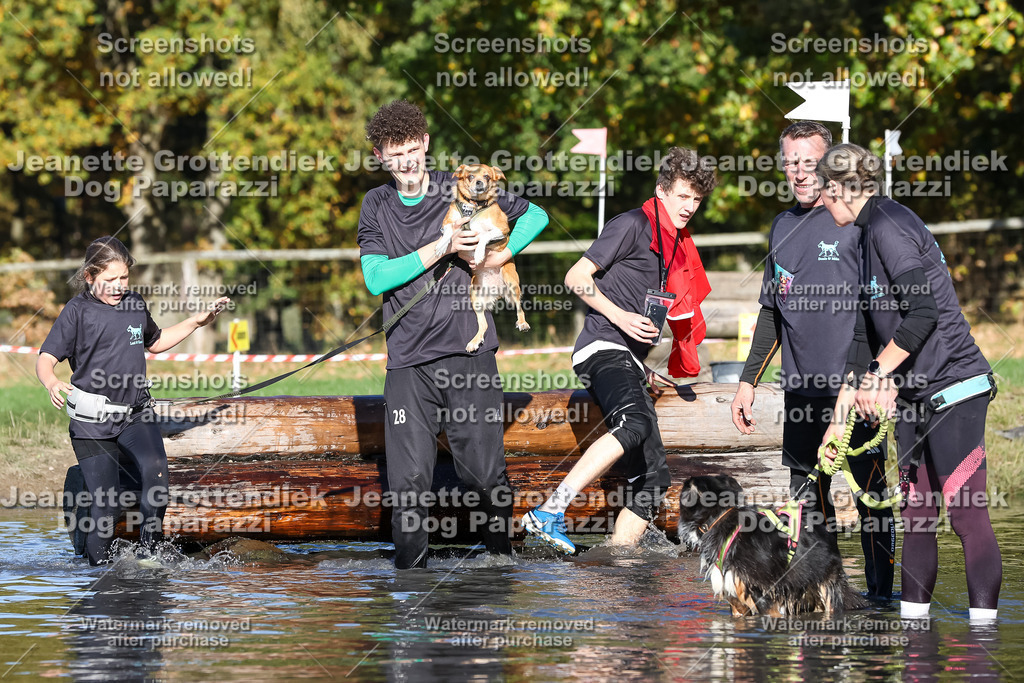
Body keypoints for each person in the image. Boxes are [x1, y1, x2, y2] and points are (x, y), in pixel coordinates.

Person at [357, 99, 549, 569]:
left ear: (424, 143)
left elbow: (536, 217)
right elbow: (376, 278)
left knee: (484, 475)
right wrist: (442, 245)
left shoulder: (462, 186)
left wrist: (501, 258)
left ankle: (500, 567)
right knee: (407, 486)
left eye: (410, 148)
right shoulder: (376, 205)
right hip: (407, 363)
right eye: (392, 152)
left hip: (469, 356)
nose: (404, 161)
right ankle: (410, 592)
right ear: (380, 156)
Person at [816, 143, 1001, 621]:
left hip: (955, 386)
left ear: (838, 187)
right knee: (917, 518)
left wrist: (880, 375)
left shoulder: (888, 226)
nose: (818, 197)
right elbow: (863, 336)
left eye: (823, 187)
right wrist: (840, 422)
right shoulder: (860, 236)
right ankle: (914, 636)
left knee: (964, 514)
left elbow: (923, 312)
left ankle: (983, 642)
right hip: (915, 399)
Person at [730, 122, 895, 600]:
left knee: (873, 501)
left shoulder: (852, 223)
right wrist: (747, 382)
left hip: (856, 391)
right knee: (809, 508)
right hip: (801, 392)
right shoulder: (781, 227)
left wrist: (867, 382)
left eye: (809, 162)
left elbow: (876, 313)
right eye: (790, 162)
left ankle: (882, 600)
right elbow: (771, 311)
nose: (799, 173)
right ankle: (824, 601)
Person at [523, 147, 716, 554]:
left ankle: (616, 564)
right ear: (661, 190)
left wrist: (641, 359)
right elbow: (575, 276)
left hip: (626, 357)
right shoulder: (632, 223)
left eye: (697, 200)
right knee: (633, 425)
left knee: (654, 479)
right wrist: (623, 318)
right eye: (683, 196)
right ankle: (548, 512)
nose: (690, 207)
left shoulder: (674, 243)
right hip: (599, 346)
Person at [37, 236, 229, 565]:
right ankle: (94, 574)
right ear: (89, 277)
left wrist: (194, 322)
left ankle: (149, 555)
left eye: (124, 277)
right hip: (91, 425)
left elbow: (155, 342)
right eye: (109, 279)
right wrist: (51, 381)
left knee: (156, 475)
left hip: (136, 415)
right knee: (107, 505)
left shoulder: (134, 304)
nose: (118, 285)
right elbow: (46, 357)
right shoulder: (77, 312)